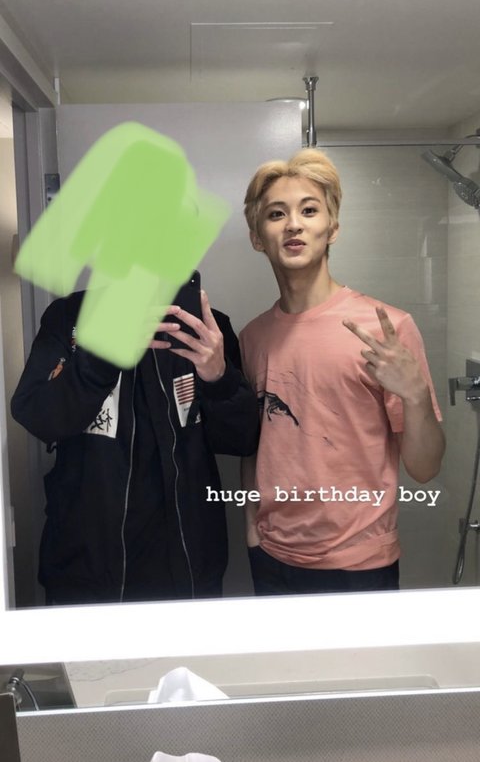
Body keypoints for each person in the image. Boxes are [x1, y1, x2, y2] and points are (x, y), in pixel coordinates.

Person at [239, 149, 445, 595]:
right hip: (272, 556)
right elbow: (254, 444)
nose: (293, 224)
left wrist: (415, 396)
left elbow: (425, 468)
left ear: (332, 228)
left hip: (361, 562)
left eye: (309, 210)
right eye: (277, 214)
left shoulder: (386, 328)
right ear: (257, 236)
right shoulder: (253, 337)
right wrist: (252, 528)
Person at [11, 274, 259, 604]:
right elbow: (37, 416)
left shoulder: (206, 327)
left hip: (188, 567)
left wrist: (219, 378)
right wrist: (99, 360)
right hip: (84, 568)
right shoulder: (70, 316)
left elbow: (242, 440)